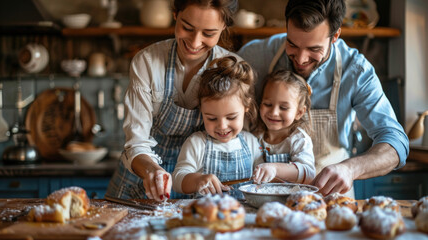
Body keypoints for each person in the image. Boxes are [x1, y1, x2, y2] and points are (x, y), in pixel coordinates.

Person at [237, 0, 409, 196]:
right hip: (265, 199)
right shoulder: (254, 56)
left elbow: (396, 143)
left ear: (335, 36)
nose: (301, 59)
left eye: (314, 49)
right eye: (292, 44)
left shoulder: (356, 70)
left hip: (330, 199)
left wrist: (350, 168)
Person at [106, 0, 241, 201]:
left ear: (224, 27)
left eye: (209, 33)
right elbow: (136, 143)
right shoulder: (147, 62)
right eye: (187, 28)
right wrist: (153, 172)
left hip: (197, 185)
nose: (195, 43)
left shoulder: (233, 69)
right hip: (140, 180)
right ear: (175, 14)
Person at [172, 56, 263, 199]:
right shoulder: (197, 143)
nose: (222, 126)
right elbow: (177, 180)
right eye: (212, 118)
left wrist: (266, 173)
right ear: (201, 110)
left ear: (247, 107)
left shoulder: (251, 142)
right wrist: (197, 180)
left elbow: (262, 180)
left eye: (231, 117)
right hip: (206, 216)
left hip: (244, 215)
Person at [252, 70, 316, 185]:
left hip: (290, 200)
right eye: (268, 104)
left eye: (283, 107)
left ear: (299, 112)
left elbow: (309, 173)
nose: (274, 112)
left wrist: (275, 169)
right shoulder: (255, 136)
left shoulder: (298, 139)